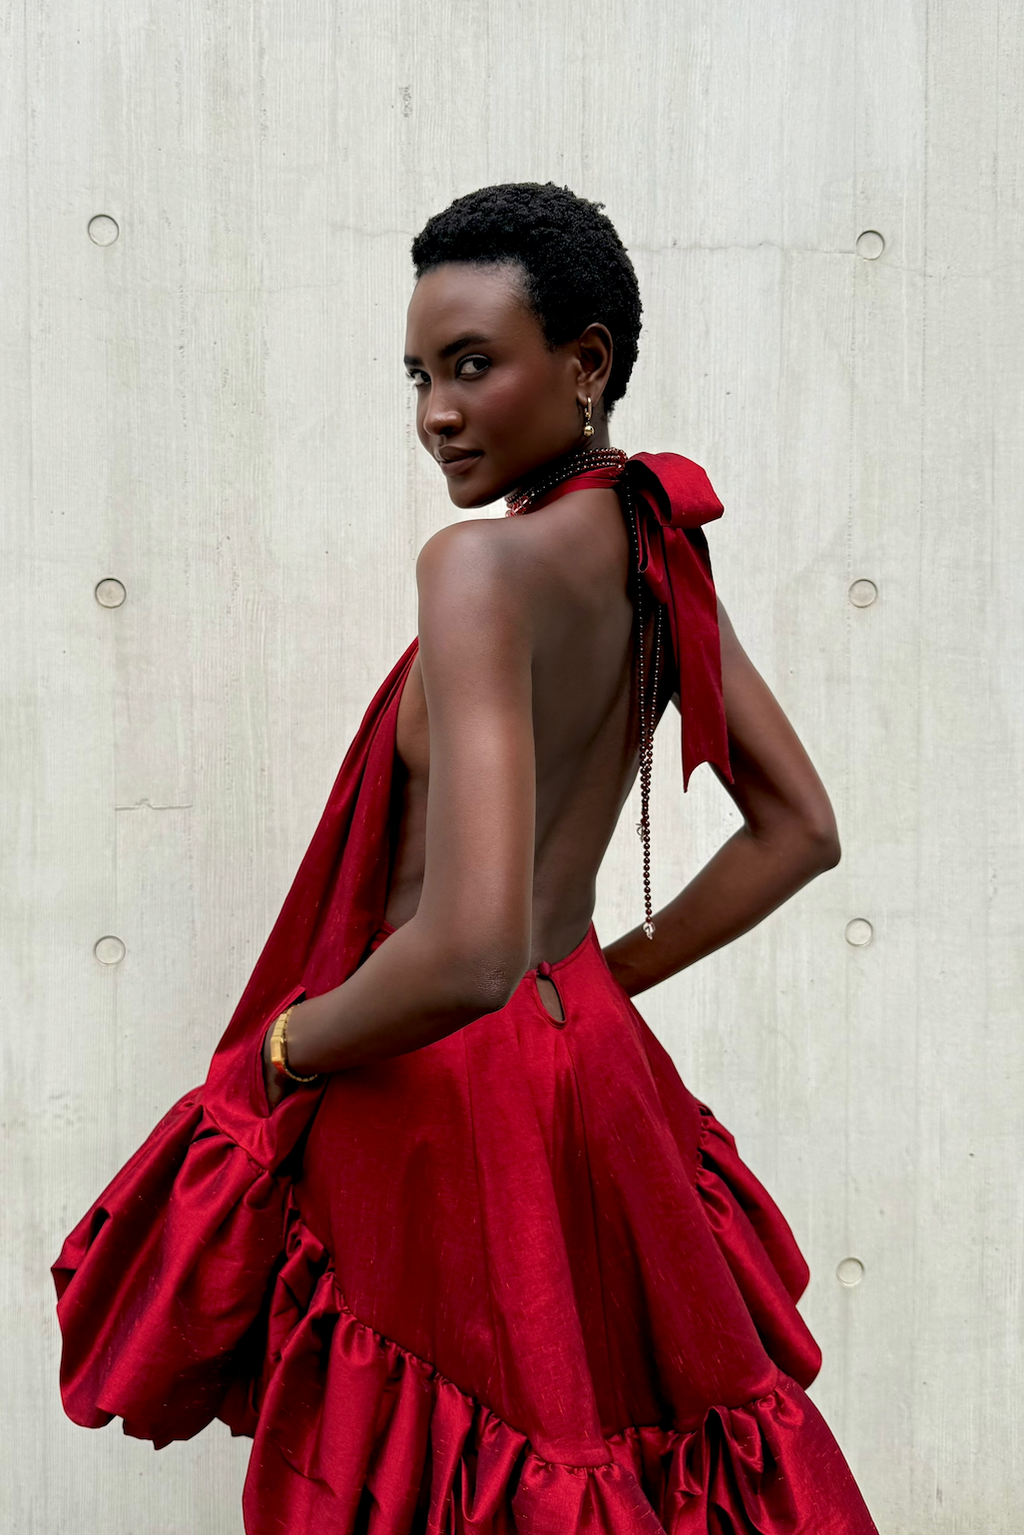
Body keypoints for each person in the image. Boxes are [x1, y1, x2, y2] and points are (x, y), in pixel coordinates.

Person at [54, 183, 877, 1534]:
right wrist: (594, 981)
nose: (436, 410)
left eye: (474, 366)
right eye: (420, 374)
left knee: (447, 1484)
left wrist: (286, 1050)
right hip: (590, 1080)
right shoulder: (650, 551)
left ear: (588, 364)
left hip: (440, 1100)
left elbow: (472, 943)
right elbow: (801, 827)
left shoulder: (478, 574)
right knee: (593, 1467)